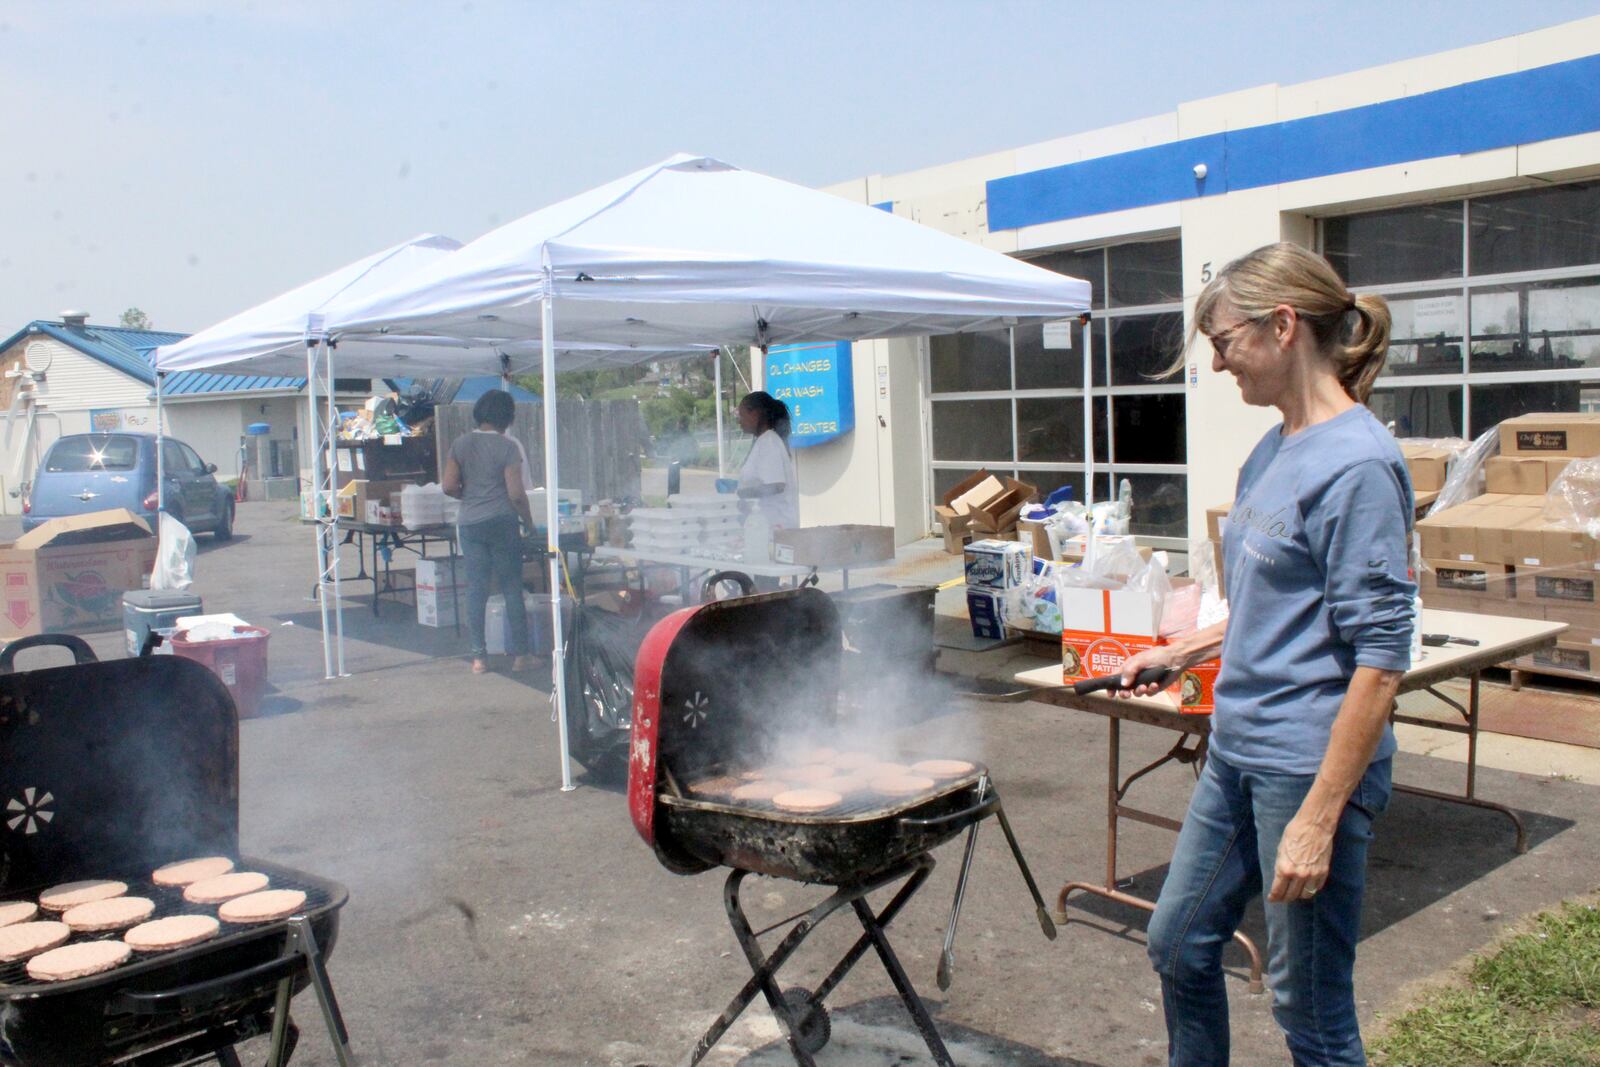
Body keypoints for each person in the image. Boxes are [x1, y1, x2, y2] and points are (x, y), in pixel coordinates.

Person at [1117, 242, 1414, 1066]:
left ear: (1283, 327)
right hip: (1237, 751)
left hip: (1306, 768)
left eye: (1223, 340)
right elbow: (1274, 597)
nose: (1217, 363)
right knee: (1176, 944)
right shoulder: (1272, 448)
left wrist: (1318, 820)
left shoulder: (1357, 465)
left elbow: (1382, 658)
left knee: (1308, 1009)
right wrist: (1190, 647)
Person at [441, 389, 537, 675]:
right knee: (511, 587)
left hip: (470, 523)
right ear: (507, 418)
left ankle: (479, 658)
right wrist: (529, 523)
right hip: (502, 522)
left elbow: (447, 486)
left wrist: (469, 497)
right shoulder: (508, 447)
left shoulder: (460, 444)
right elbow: (517, 494)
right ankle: (521, 656)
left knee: (477, 588)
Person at [735, 390, 799, 532]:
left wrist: (741, 493)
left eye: (742, 415)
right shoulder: (763, 441)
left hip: (777, 526)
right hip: (764, 525)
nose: (740, 421)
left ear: (755, 414)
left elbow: (776, 485)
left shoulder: (769, 442)